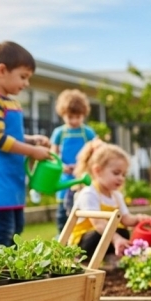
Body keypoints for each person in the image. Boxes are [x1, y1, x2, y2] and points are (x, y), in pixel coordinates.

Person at [0, 41, 52, 249]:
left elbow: (12, 136)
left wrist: (32, 140)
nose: (26, 83)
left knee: (17, 228)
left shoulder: (10, 101)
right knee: (3, 229)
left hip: (11, 172)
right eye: (23, 76)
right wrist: (33, 151)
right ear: (1, 70)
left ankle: (12, 268)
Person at [69, 140, 151, 260]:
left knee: (123, 232)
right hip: (84, 243)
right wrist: (116, 239)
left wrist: (139, 219)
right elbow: (98, 224)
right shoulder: (89, 193)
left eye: (123, 175)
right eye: (116, 173)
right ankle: (91, 259)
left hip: (107, 236)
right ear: (97, 171)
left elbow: (126, 219)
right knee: (98, 236)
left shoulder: (116, 196)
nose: (121, 178)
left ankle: (110, 257)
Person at [50, 89, 98, 233]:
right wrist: (62, 165)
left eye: (78, 117)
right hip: (65, 177)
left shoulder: (88, 132)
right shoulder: (59, 133)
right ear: (63, 114)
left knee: (83, 206)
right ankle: (61, 238)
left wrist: (82, 166)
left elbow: (96, 152)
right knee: (62, 211)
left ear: (84, 114)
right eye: (70, 117)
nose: (74, 121)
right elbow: (53, 153)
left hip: (83, 176)